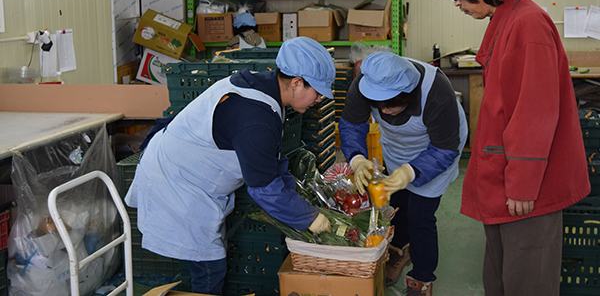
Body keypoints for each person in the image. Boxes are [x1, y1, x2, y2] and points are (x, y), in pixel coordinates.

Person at [429, 0, 590, 296]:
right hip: (506, 182)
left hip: (527, 190)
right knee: (501, 276)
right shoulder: (507, 21)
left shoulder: (528, 25)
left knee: (526, 279)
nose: (456, 3)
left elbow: (534, 113)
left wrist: (523, 183)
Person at [125, 37, 335, 295]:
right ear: (296, 83)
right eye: (318, 92)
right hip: (178, 181)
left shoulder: (266, 89)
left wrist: (299, 202)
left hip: (191, 173)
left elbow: (271, 163)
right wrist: (309, 217)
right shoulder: (256, 117)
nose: (319, 100)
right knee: (209, 265)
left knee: (208, 257)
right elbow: (264, 188)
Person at [339, 52, 468, 296]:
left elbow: (444, 149)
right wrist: (357, 158)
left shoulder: (437, 92)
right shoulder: (365, 83)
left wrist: (412, 171)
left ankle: (422, 277)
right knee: (396, 203)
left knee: (421, 214)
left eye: (392, 105)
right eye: (379, 106)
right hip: (397, 146)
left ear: (410, 95)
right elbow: (352, 124)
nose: (385, 112)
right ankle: (399, 249)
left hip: (437, 148)